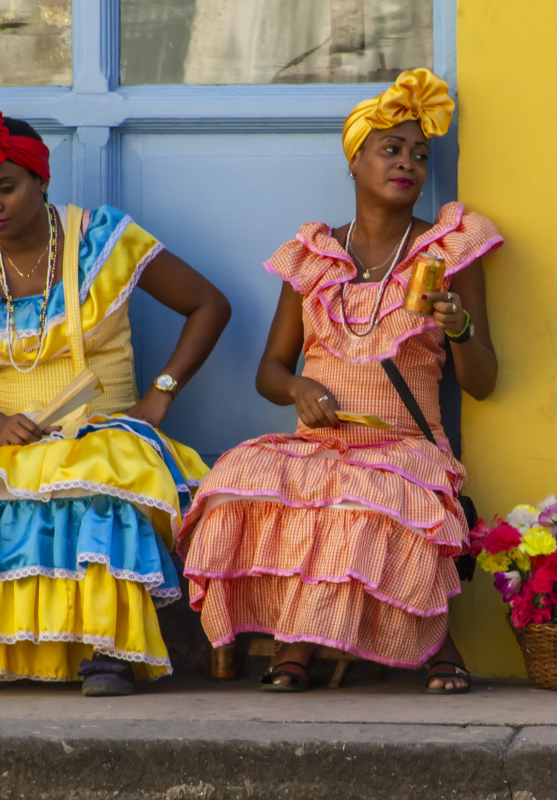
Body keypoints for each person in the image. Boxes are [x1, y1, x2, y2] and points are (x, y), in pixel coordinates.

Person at [0, 108, 231, 697]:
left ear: (42, 181)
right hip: (7, 431)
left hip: (99, 425)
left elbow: (210, 304)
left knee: (99, 482)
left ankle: (107, 650)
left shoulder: (102, 239)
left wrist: (159, 397)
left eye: (6, 187)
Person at [176, 69, 503, 693]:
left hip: (406, 447)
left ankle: (434, 642)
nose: (407, 163)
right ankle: (294, 640)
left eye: (419, 153)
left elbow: (484, 383)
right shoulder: (313, 255)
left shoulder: (449, 250)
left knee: (363, 494)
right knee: (233, 481)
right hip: (319, 441)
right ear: (354, 160)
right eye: (390, 149)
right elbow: (271, 370)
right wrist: (299, 390)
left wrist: (458, 329)